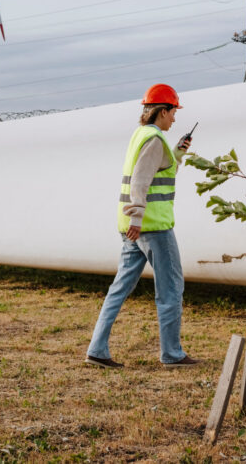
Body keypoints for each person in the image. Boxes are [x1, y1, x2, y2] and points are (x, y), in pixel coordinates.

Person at [85, 84, 200, 369]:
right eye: (173, 112)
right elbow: (140, 180)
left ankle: (97, 349)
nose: (175, 118)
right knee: (171, 288)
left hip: (132, 228)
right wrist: (138, 218)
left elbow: (160, 171)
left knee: (120, 287)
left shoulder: (142, 135)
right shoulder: (154, 139)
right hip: (152, 227)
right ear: (162, 111)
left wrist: (178, 153)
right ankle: (172, 354)